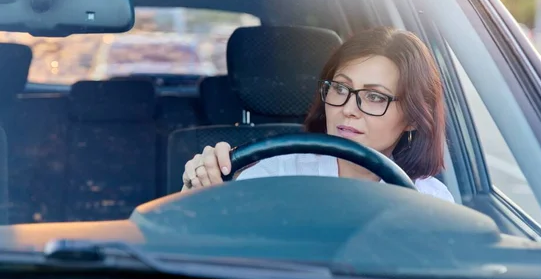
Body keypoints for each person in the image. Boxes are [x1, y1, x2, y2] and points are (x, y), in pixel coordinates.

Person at [182, 27, 454, 203]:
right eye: (340, 88)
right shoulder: (279, 172)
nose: (348, 108)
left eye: (375, 97)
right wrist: (201, 192)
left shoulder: (430, 202)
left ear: (413, 118)